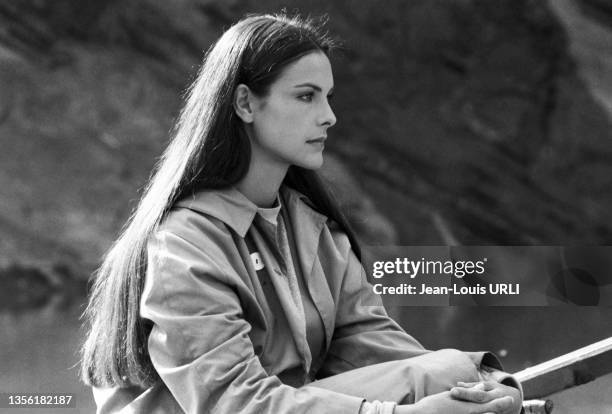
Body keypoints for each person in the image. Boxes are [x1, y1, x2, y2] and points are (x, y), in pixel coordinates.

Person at [80, 13, 523, 414]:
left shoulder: (316, 231)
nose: (329, 116)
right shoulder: (183, 245)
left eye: (328, 97)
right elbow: (235, 404)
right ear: (245, 104)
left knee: (448, 373)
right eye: (306, 96)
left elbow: (381, 350)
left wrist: (492, 386)